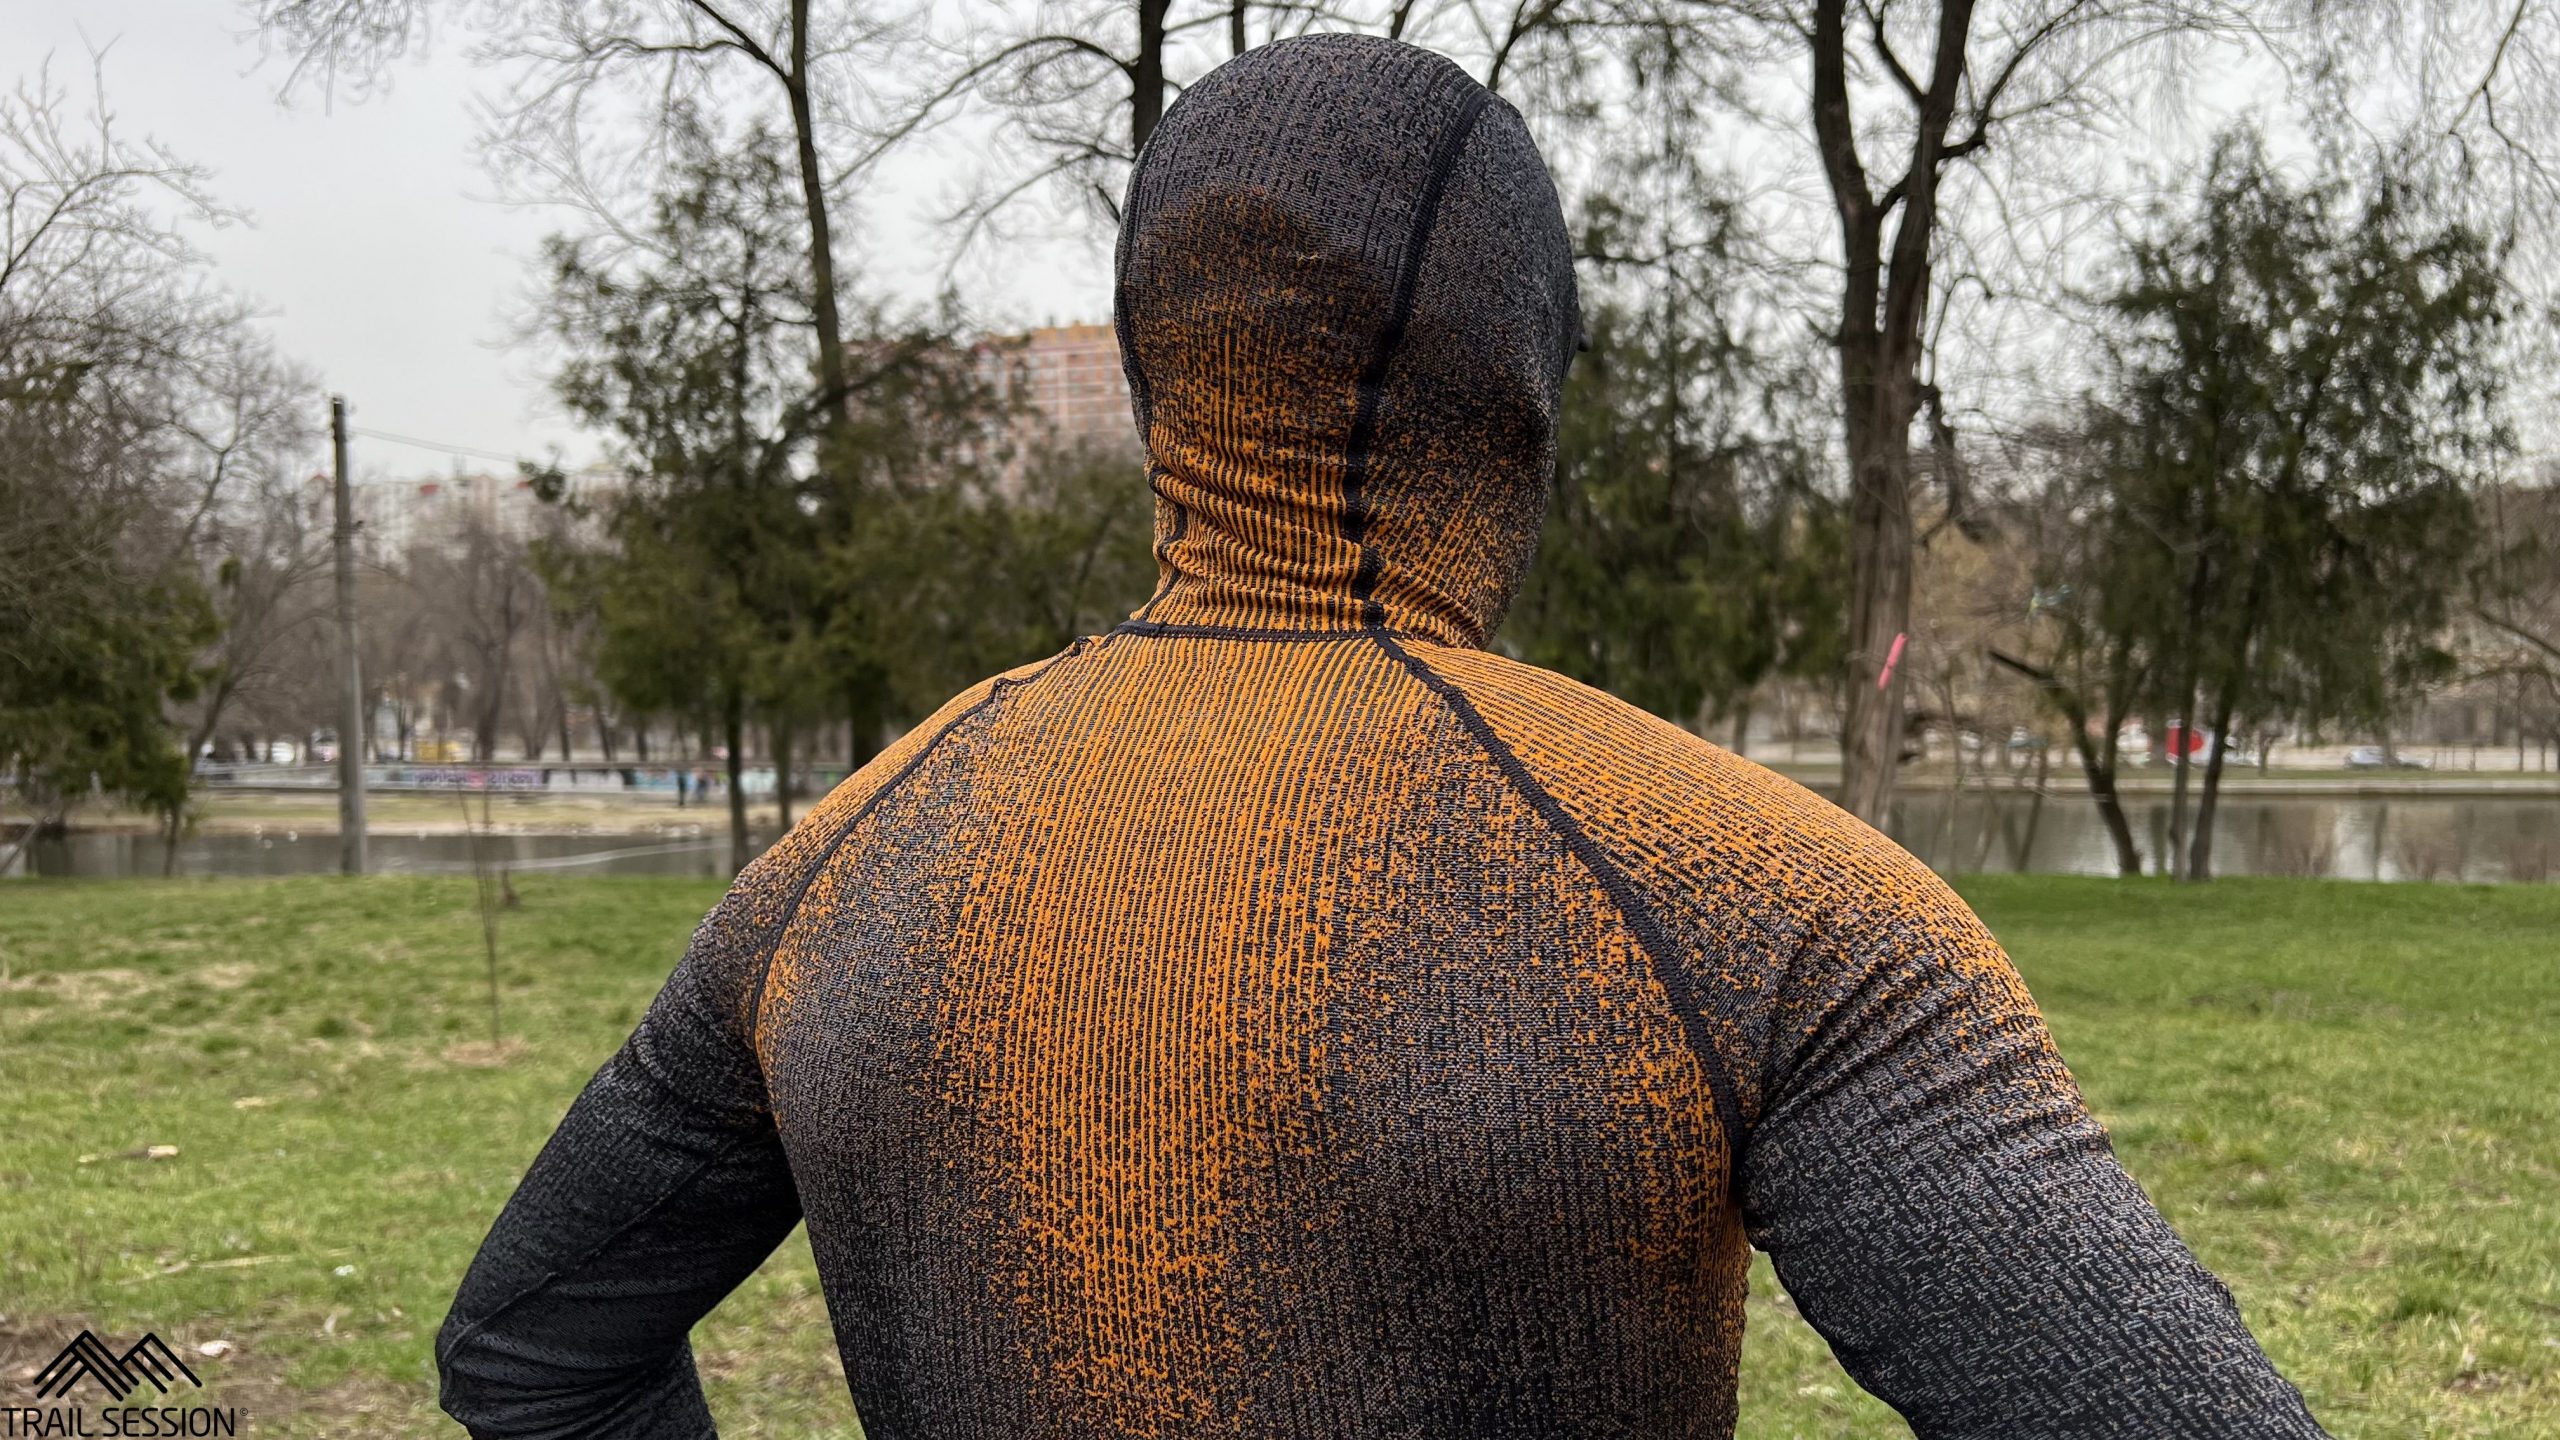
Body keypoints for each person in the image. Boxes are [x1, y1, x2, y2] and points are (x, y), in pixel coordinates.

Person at [436, 34, 2327, 1440]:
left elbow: (530, 1349)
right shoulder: (1754, 905)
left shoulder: (842, 864)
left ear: (1155, 375)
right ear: (1526, 410)